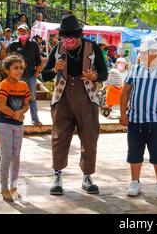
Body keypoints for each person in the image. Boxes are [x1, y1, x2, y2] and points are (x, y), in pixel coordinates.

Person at [41, 14, 108, 195]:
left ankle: (87, 177)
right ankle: (57, 176)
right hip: (62, 97)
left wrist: (95, 77)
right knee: (59, 137)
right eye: (64, 37)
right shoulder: (57, 49)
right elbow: (44, 75)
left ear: (78, 36)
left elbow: (104, 73)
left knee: (89, 137)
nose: (67, 41)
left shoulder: (92, 47)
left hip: (86, 97)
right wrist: (55, 69)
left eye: (70, 38)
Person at [119, 39, 157, 199]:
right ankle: (135, 182)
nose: (139, 55)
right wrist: (123, 113)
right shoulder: (135, 69)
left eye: (142, 52)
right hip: (135, 120)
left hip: (156, 121)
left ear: (152, 53)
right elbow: (125, 92)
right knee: (134, 153)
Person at [0, 54, 30, 202]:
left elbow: (26, 104)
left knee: (16, 157)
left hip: (18, 125)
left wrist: (21, 113)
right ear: (7, 69)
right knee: (7, 156)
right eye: (15, 68)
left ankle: (13, 186)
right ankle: (4, 188)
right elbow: (1, 105)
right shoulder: (4, 84)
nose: (19, 71)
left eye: (21, 68)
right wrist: (14, 115)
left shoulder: (24, 85)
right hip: (4, 124)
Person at [8, 24, 42, 126]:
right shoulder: (13, 44)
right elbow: (8, 60)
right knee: (16, 97)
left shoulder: (34, 44)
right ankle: (15, 117)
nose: (22, 33)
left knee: (32, 97)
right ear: (17, 33)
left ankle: (35, 119)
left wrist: (37, 73)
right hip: (18, 76)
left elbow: (39, 61)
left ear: (28, 32)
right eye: (19, 31)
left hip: (31, 75)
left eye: (24, 31)